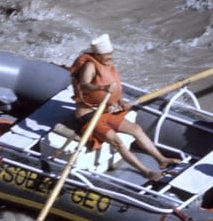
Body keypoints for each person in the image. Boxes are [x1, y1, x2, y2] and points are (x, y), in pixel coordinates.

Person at [70, 34, 180, 181]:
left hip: (105, 110)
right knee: (117, 142)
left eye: (110, 53)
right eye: (106, 55)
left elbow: (114, 89)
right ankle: (147, 172)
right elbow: (84, 86)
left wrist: (120, 101)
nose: (110, 57)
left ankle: (162, 160)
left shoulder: (108, 65)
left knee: (136, 129)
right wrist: (103, 87)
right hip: (89, 115)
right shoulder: (89, 65)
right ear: (97, 55)